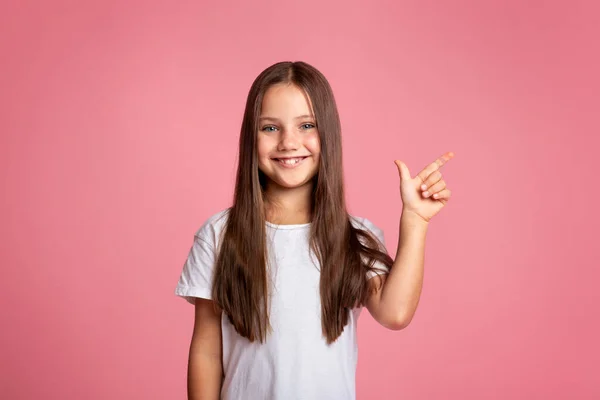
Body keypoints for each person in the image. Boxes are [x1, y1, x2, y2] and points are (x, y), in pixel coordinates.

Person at [174, 61, 454, 400]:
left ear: (329, 135)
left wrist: (415, 221)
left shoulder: (355, 236)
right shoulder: (220, 235)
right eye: (270, 128)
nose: (289, 143)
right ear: (251, 137)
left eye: (306, 125)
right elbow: (206, 349)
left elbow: (395, 313)